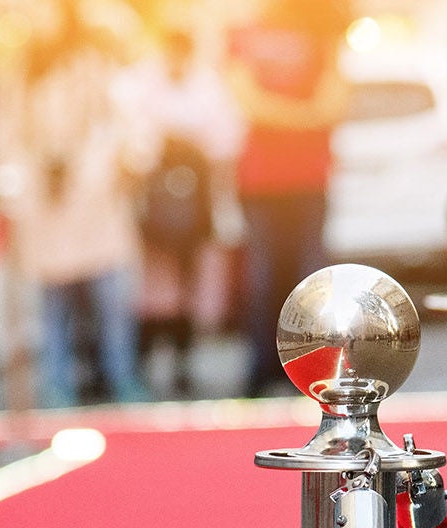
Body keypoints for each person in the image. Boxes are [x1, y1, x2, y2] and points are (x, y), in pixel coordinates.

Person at [3, 0, 153, 408]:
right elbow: (8, 131)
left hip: (94, 193)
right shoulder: (25, 69)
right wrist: (19, 182)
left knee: (111, 297)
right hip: (45, 199)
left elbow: (125, 120)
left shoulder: (95, 60)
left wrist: (115, 165)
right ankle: (57, 383)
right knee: (53, 302)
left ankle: (121, 376)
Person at [227, 0, 349, 397]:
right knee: (262, 280)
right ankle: (262, 368)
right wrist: (305, 118)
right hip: (261, 183)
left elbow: (335, 104)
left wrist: (279, 117)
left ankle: (311, 366)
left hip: (309, 181)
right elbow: (247, 103)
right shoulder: (245, 32)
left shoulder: (323, 30)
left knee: (311, 281)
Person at [135, 26, 244, 397]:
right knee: (155, 278)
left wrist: (189, 142)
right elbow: (135, 136)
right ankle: (149, 355)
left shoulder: (208, 87)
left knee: (190, 277)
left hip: (195, 194)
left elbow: (226, 137)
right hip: (155, 195)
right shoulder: (144, 84)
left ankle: (183, 358)